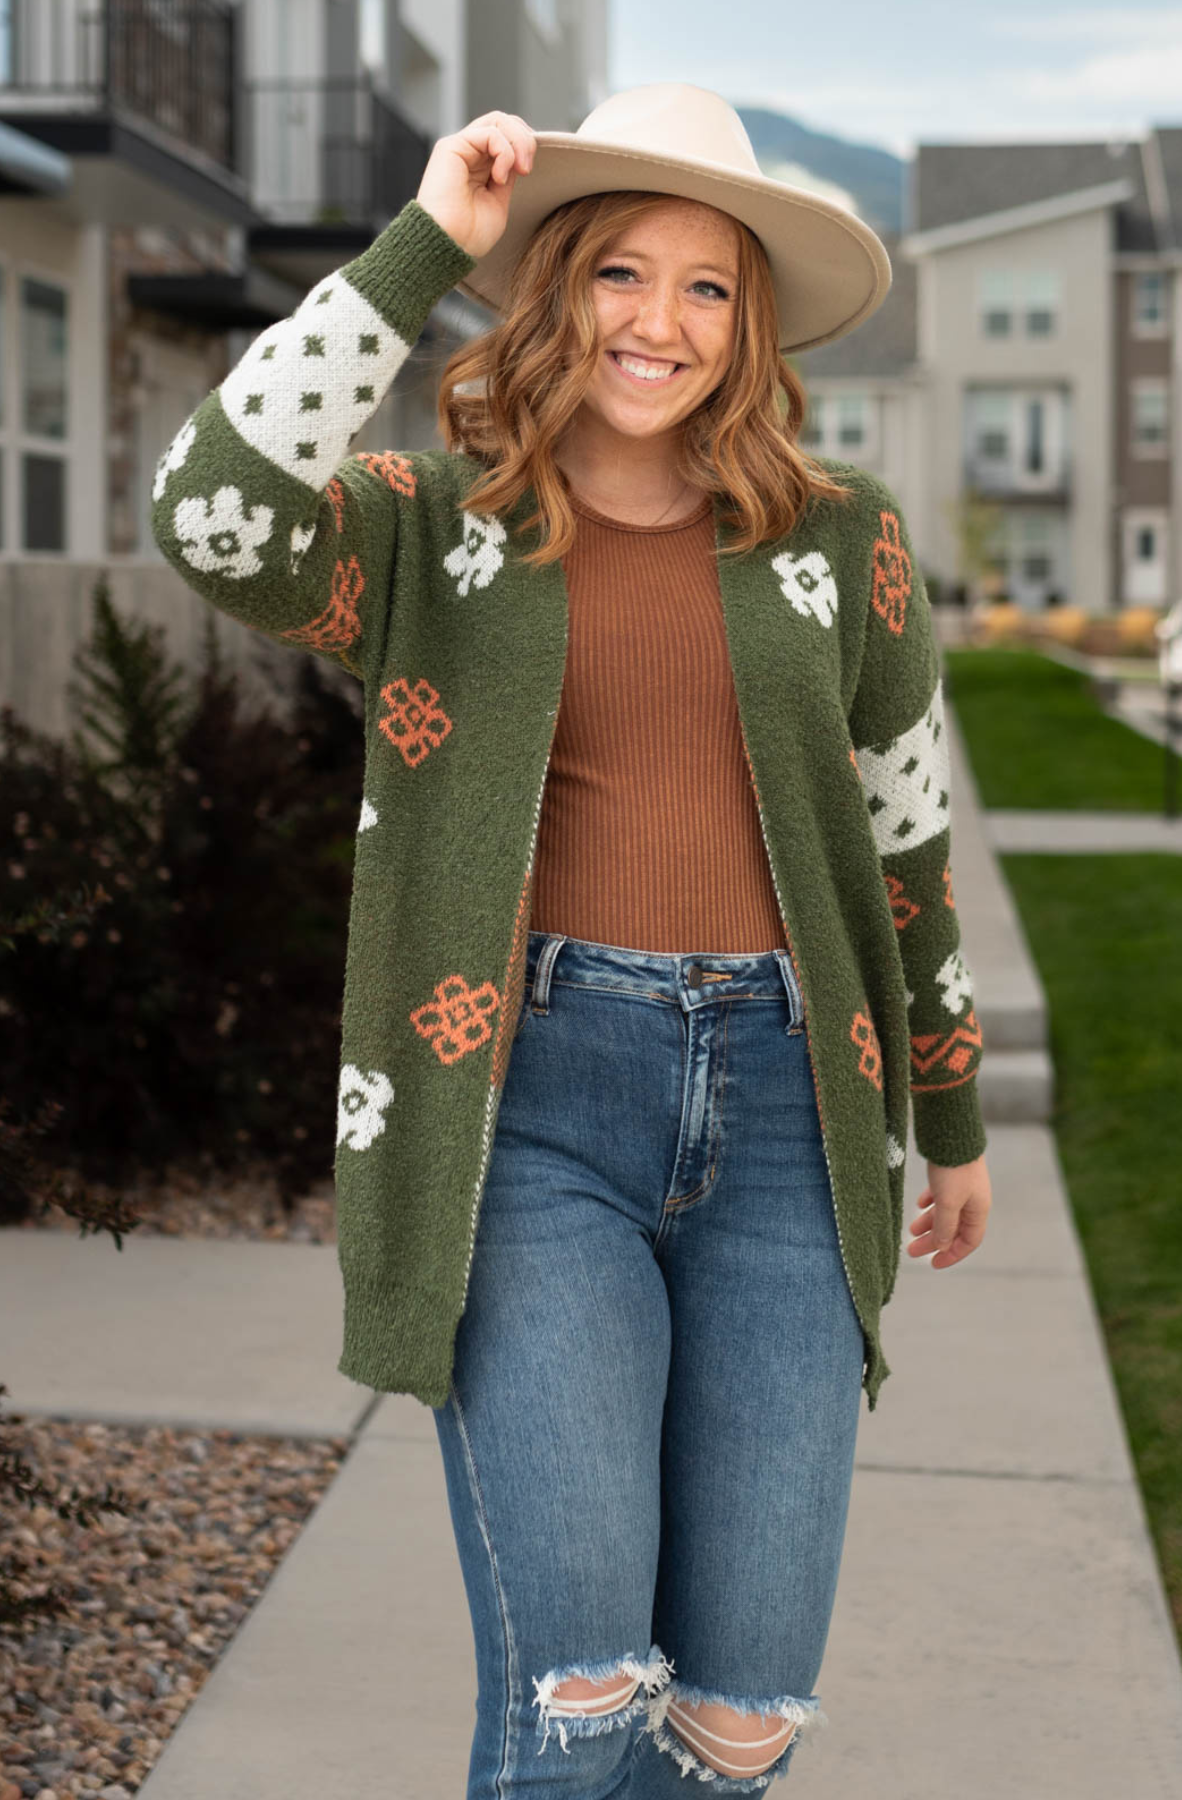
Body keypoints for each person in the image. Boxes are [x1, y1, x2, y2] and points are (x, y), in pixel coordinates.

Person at [152, 81, 992, 1797]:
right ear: (554, 289)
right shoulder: (424, 528)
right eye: (620, 272)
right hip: (528, 1111)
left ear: (747, 325)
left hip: (785, 1121)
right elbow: (212, 508)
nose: (659, 322)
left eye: (706, 286)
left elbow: (906, 833)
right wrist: (423, 244)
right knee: (580, 1691)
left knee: (740, 1712)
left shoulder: (840, 545)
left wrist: (948, 1107)